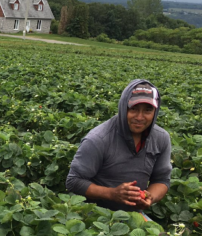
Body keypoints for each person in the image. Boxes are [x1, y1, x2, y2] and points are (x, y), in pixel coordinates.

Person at [66, 80, 171, 214]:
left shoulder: (161, 138)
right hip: (93, 214)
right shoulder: (98, 139)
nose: (140, 117)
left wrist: (150, 197)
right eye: (133, 109)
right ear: (123, 107)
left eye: (147, 110)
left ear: (155, 112)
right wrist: (112, 194)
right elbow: (73, 181)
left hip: (133, 216)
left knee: (161, 235)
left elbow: (162, 180)